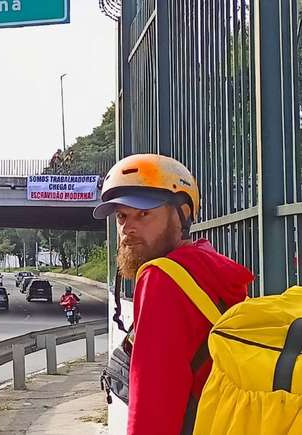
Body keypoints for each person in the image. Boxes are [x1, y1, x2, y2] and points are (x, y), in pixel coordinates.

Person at [93, 154, 253, 435]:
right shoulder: (206, 263)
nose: (127, 229)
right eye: (121, 216)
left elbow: (153, 407)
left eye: (144, 214)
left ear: (183, 214)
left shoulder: (162, 279)